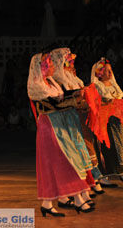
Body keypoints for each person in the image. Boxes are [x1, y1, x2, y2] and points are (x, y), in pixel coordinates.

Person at [27, 51, 94, 217]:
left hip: (58, 124)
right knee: (66, 160)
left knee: (56, 164)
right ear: (39, 67)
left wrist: (75, 95)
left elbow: (61, 99)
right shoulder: (37, 86)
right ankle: (77, 198)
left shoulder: (51, 82)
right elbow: (52, 105)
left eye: (50, 62)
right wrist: (74, 99)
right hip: (49, 126)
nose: (51, 65)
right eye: (47, 63)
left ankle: (47, 203)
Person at [50, 47, 105, 193]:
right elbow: (61, 102)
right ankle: (86, 182)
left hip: (80, 115)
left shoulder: (72, 78)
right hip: (69, 117)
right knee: (81, 148)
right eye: (68, 61)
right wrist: (78, 98)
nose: (71, 64)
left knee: (87, 145)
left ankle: (91, 180)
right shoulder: (58, 80)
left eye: (71, 61)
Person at [91, 57, 123, 187]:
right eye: (106, 70)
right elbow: (96, 103)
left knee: (120, 145)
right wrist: (107, 103)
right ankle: (106, 176)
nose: (110, 73)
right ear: (99, 73)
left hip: (116, 121)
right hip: (104, 122)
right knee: (107, 148)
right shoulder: (97, 86)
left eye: (110, 70)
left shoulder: (113, 84)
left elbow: (119, 99)